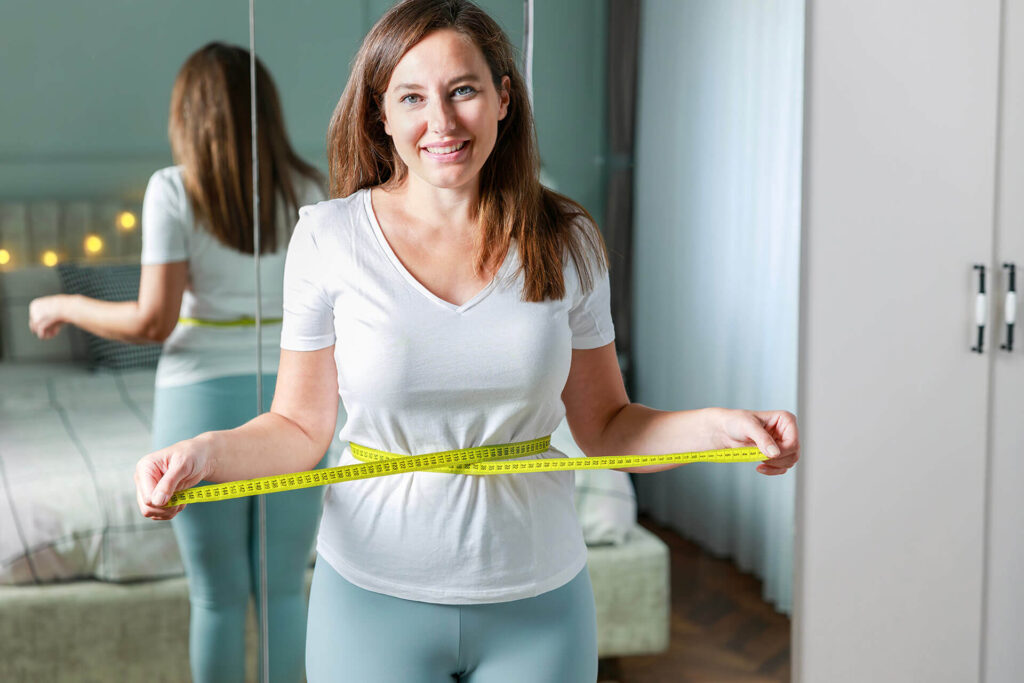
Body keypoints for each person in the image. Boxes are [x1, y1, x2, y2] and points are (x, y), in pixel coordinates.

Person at [132, 2, 800, 681]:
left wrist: (719, 426)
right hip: (370, 599)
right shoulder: (328, 239)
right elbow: (300, 428)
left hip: (540, 600)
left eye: (464, 91)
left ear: (503, 97)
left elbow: (606, 426)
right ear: (379, 114)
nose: (441, 122)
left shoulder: (567, 239)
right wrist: (202, 453)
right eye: (412, 97)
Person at [29, 43, 327, 682]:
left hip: (200, 393)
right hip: (298, 395)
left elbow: (151, 322)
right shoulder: (310, 188)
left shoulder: (173, 190)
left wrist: (65, 302)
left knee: (217, 596)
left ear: (189, 115)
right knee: (282, 591)